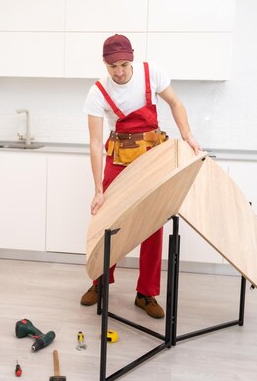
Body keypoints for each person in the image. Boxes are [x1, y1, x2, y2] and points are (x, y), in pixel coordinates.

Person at [81, 34, 201, 318]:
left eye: (123, 64)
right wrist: (98, 189)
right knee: (107, 220)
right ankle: (100, 282)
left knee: (153, 223)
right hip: (119, 159)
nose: (119, 72)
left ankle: (146, 294)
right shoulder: (97, 92)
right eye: (113, 67)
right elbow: (96, 143)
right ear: (105, 64)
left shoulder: (152, 73)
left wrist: (189, 137)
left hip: (152, 159)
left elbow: (176, 104)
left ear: (131, 59)